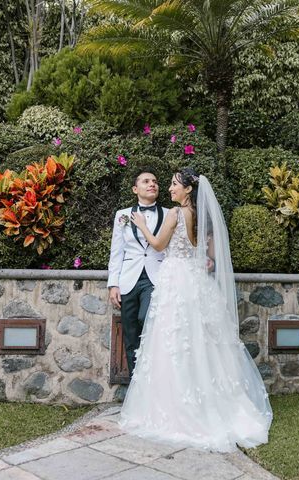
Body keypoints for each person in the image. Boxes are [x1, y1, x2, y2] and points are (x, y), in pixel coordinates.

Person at [119, 167, 273, 452]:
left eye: (175, 185)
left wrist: (141, 224)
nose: (170, 189)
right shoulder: (201, 218)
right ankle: (211, 400)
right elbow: (205, 253)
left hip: (177, 282)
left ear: (188, 189)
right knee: (203, 342)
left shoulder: (176, 214)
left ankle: (178, 408)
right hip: (197, 283)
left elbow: (158, 244)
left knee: (174, 342)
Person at [108, 168, 169, 379]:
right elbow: (116, 252)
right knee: (131, 334)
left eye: (155, 181)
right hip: (128, 279)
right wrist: (113, 284)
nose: (152, 184)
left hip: (156, 278)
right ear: (136, 189)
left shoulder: (170, 214)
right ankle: (137, 386)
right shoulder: (122, 215)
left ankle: (157, 378)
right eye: (146, 181)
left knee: (147, 319)